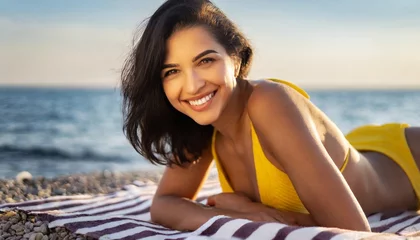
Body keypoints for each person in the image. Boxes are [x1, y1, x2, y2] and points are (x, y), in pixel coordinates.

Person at [120, 0, 420, 232]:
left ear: (235, 60)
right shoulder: (200, 125)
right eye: (172, 71)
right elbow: (163, 205)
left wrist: (260, 214)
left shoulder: (268, 101)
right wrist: (230, 212)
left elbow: (354, 232)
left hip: (409, 160)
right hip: (361, 148)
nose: (192, 85)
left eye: (206, 60)